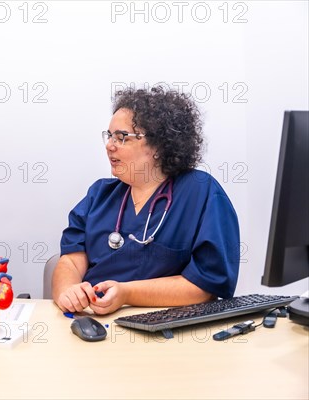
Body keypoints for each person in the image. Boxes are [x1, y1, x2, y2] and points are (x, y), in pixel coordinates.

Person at [53, 86, 240, 316]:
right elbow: (70, 262)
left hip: (163, 329)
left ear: (158, 146)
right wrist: (69, 291)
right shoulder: (99, 195)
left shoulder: (200, 192)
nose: (110, 145)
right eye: (109, 136)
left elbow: (205, 286)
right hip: (90, 321)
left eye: (122, 137)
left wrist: (126, 293)